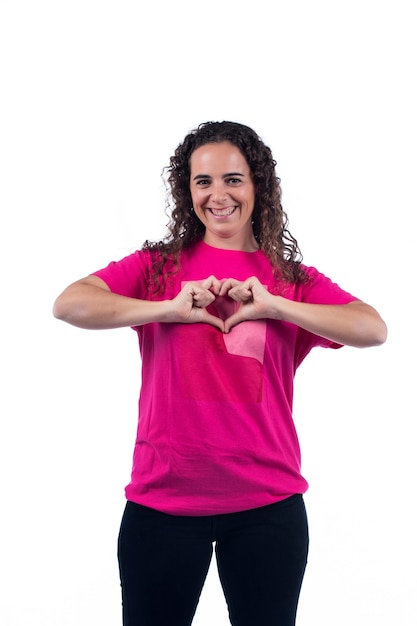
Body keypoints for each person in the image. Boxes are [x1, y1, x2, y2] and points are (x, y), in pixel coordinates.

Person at [53, 120, 387, 626]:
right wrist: (165, 309)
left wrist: (277, 306)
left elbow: (372, 328)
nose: (218, 195)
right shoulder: (158, 268)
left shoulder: (290, 280)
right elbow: (70, 304)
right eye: (202, 182)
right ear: (187, 192)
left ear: (258, 185)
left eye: (233, 179)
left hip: (267, 504)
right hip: (162, 500)